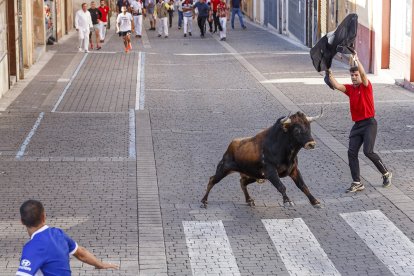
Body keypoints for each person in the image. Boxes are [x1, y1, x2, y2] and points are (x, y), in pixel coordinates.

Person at [326, 53, 393, 193]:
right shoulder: (350, 89)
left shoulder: (366, 86)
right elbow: (337, 85)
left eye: (355, 75)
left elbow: (363, 73)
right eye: (352, 75)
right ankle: (357, 182)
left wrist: (357, 59)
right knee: (351, 152)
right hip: (357, 126)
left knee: (368, 151)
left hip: (369, 124)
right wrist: (329, 73)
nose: (354, 77)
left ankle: (386, 173)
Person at [16, 200, 118, 275]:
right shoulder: (59, 234)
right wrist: (100, 264)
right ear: (44, 216)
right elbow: (81, 253)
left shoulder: (31, 248)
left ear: (22, 221)